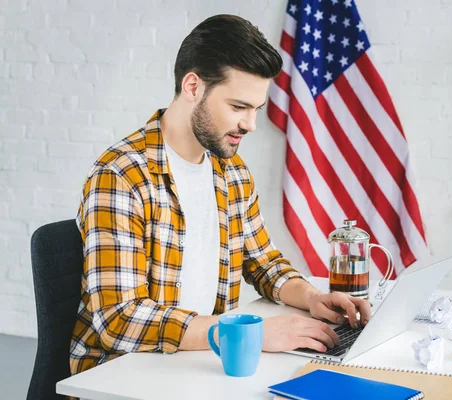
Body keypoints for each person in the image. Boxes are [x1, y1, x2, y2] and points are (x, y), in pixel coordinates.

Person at [70, 14, 371, 375]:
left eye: (255, 110)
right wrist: (250, 335)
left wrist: (313, 298)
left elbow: (263, 262)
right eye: (238, 107)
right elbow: (119, 318)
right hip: (124, 373)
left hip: (199, 361)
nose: (250, 124)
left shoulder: (231, 173)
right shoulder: (122, 176)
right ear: (193, 87)